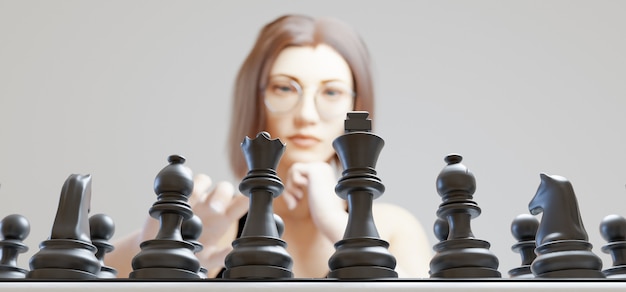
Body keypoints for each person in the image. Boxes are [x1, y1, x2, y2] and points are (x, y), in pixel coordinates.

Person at [106, 14, 431, 278]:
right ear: (256, 99)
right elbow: (81, 272)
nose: (306, 115)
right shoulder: (215, 226)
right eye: (285, 89)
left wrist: (341, 227)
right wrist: (158, 249)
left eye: (331, 93)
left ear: (355, 107)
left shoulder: (394, 227)